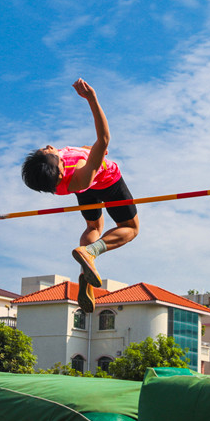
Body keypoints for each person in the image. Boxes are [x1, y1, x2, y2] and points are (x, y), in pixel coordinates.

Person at [21, 78, 139, 314]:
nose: (48, 148)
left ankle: (88, 266)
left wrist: (63, 153)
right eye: (49, 153)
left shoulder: (52, 178)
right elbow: (103, 140)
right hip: (107, 181)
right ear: (61, 169)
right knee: (130, 228)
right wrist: (92, 100)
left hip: (85, 192)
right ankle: (91, 252)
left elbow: (50, 160)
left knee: (93, 226)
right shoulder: (81, 174)